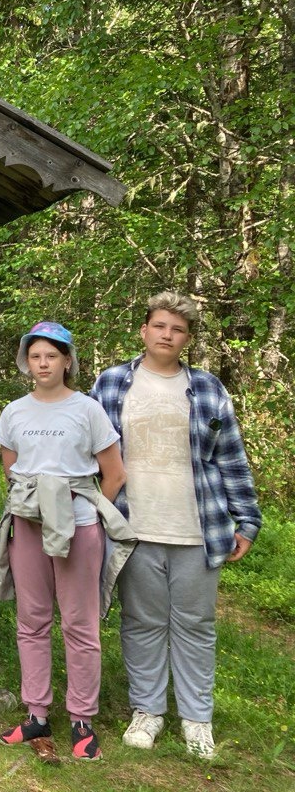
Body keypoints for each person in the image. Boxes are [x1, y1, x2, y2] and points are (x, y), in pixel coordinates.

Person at [90, 292, 262, 760]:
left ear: (186, 338)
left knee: (196, 624)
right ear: (144, 330)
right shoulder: (110, 384)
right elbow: (86, 453)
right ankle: (147, 711)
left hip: (196, 528)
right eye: (160, 326)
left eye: (178, 329)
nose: (167, 335)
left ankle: (196, 718)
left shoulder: (208, 389)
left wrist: (246, 519)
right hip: (132, 527)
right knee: (142, 621)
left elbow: (231, 458)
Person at [0, 322, 127, 761]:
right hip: (27, 525)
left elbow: (115, 473)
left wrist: (83, 514)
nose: (43, 363)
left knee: (80, 623)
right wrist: (39, 505)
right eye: (35, 356)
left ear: (68, 360)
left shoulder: (87, 410)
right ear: (26, 363)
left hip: (79, 527)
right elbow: (11, 471)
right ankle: (37, 715)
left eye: (52, 355)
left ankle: (83, 720)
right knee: (32, 620)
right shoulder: (14, 412)